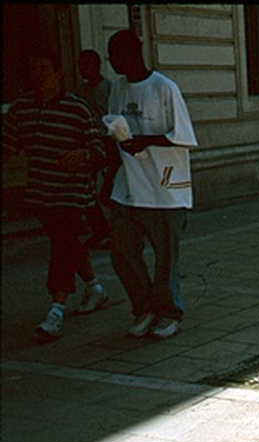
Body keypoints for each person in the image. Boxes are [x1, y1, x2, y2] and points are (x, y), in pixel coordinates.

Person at [2, 51, 110, 340]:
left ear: (58, 73)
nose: (38, 74)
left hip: (73, 193)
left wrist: (82, 154)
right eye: (33, 68)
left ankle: (56, 309)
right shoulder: (21, 109)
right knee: (67, 243)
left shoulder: (77, 108)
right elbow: (7, 146)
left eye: (44, 68)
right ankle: (95, 287)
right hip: (41, 193)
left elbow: (99, 151)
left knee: (62, 245)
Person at [105, 29, 198, 340]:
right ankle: (144, 307)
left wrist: (145, 141)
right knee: (123, 254)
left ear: (132, 54)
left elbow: (183, 136)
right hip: (128, 187)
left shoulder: (164, 89)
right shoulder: (117, 88)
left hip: (165, 190)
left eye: (115, 56)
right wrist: (109, 176)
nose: (112, 63)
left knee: (165, 258)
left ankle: (169, 312)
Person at [74, 49, 114, 250]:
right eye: (80, 65)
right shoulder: (80, 93)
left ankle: (112, 230)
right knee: (88, 192)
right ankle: (99, 230)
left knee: (106, 188)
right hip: (88, 144)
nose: (83, 70)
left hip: (107, 142)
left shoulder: (109, 89)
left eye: (86, 65)